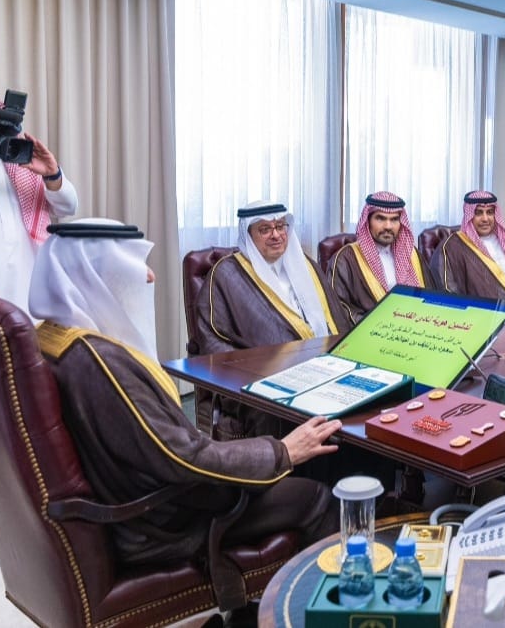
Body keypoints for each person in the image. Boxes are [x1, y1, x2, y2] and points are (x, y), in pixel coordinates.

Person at [28, 219, 339, 602]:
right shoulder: (101, 361)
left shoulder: (53, 338)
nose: (149, 276)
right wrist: (282, 452)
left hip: (128, 499)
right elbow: (183, 456)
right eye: (133, 264)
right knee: (316, 496)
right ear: (95, 274)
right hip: (163, 522)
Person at [0, 76, 79, 519]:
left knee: (25, 394)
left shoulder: (11, 159)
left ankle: (28, 478)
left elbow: (67, 207)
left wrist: (51, 173)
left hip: (23, 297)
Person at [196, 201, 351, 356]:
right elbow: (212, 339)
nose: (276, 235)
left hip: (327, 358)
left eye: (280, 226)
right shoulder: (227, 275)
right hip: (266, 365)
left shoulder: (305, 265)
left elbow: (335, 318)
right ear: (248, 236)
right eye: (265, 229)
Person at [329, 191, 433, 324]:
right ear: (368, 221)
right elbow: (340, 309)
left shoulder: (412, 255)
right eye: (380, 218)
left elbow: (431, 296)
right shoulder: (346, 259)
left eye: (394, 219)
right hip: (370, 331)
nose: (388, 226)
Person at [438, 190, 505, 303]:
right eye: (478, 213)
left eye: (490, 212)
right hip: (487, 312)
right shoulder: (453, 247)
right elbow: (449, 294)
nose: (485, 219)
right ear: (469, 215)